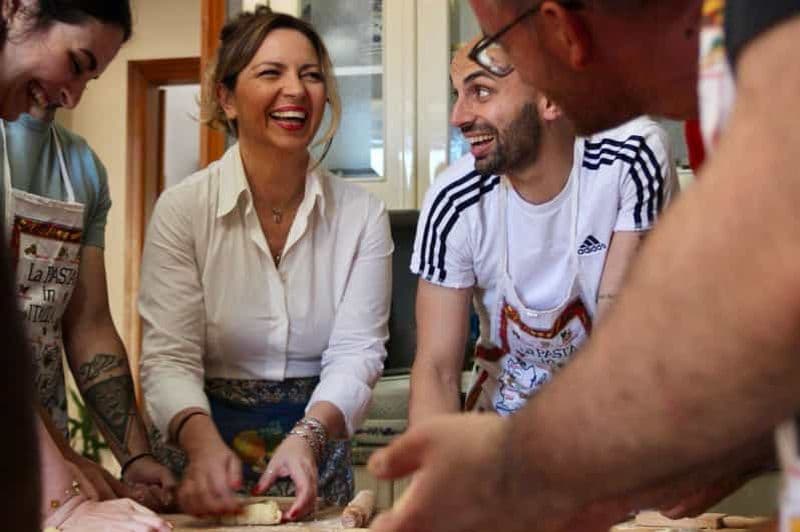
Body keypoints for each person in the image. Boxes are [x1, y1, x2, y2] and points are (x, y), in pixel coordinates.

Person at [368, 1, 800, 531]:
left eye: (499, 36)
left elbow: (773, 252)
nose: (458, 116)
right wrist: (734, 445)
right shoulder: (721, 83)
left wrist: (529, 461)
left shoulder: (762, 26)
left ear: (562, 28)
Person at [138, 6, 392, 521]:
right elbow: (169, 358)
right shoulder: (182, 210)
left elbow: (357, 352)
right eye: (271, 73)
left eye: (312, 75)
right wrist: (204, 446)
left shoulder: (363, 214)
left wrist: (309, 437)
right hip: (204, 459)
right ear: (227, 99)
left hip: (313, 453)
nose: (296, 90)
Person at [409, 38, 675, 422]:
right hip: (501, 418)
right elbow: (437, 369)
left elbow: (620, 336)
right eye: (458, 95)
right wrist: (430, 474)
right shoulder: (453, 201)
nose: (458, 117)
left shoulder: (631, 157)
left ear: (551, 99)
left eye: (480, 92)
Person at [0, 0, 172, 530]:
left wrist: (129, 457)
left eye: (90, 78)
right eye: (76, 63)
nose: (72, 95)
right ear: (17, 7)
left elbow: (90, 325)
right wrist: (64, 495)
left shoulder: (81, 170)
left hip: (30, 447)